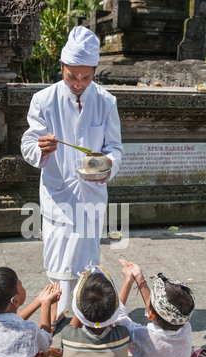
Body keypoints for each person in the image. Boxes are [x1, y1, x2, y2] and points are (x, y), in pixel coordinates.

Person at [21, 26, 124, 332]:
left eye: (86, 77)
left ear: (94, 72)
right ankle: (56, 307)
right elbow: (28, 144)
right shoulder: (43, 100)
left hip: (91, 192)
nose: (78, 83)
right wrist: (42, 149)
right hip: (58, 192)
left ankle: (82, 310)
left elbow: (115, 148)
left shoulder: (106, 101)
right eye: (72, 75)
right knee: (57, 252)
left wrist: (107, 164)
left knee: (86, 256)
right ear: (62, 67)